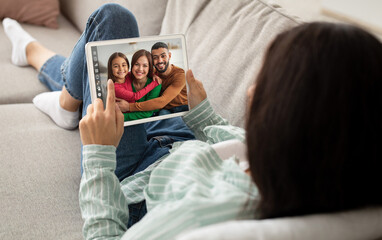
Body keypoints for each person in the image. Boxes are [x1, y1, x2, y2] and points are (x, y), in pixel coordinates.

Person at [77, 21, 382, 239]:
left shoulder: (201, 217)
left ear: (289, 121)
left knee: (112, 19)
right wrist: (202, 112)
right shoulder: (303, 167)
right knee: (102, 73)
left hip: (142, 170)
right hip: (186, 139)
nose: (250, 92)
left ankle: (61, 87)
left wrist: (99, 154)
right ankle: (68, 93)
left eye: (264, 81)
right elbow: (240, 144)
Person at [2, 3, 195, 227]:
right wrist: (202, 112)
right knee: (95, 72)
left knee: (112, 19)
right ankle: (31, 52)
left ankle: (63, 99)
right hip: (181, 136)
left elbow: (102, 231)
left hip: (137, 175)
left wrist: (99, 159)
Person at [117, 41, 189, 116]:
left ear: (169, 56)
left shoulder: (180, 75)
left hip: (182, 107)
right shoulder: (152, 73)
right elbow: (136, 72)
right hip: (165, 109)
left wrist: (129, 107)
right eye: (155, 57)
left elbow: (162, 101)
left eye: (163, 56)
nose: (160, 60)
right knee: (160, 116)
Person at [111, 50, 162, 121]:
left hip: (151, 119)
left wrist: (121, 117)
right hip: (130, 119)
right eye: (137, 64)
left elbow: (147, 113)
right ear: (132, 65)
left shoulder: (156, 84)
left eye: (145, 66)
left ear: (149, 68)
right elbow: (121, 73)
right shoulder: (127, 77)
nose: (140, 69)